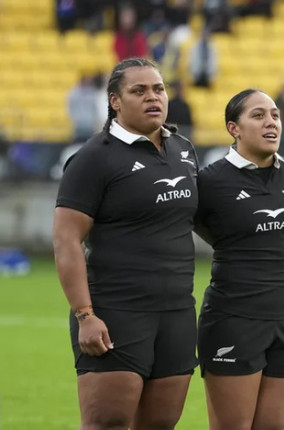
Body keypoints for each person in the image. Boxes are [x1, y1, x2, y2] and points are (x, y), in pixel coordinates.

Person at [54, 57, 198, 429]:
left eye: (159, 89)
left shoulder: (183, 149)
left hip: (177, 312)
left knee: (160, 424)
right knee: (108, 422)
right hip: (117, 312)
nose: (153, 97)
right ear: (115, 101)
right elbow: (66, 240)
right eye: (139, 91)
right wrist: (85, 315)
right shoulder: (92, 158)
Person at [193, 89, 284, 429]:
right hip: (233, 317)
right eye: (258, 115)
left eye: (275, 115)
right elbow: (199, 227)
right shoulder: (210, 181)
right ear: (234, 128)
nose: (271, 122)